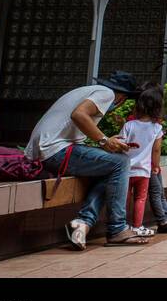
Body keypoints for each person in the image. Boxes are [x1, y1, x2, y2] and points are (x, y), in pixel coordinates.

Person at [24, 71, 155, 249]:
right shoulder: (106, 93)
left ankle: (82, 223)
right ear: (122, 98)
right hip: (55, 151)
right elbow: (79, 115)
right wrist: (103, 141)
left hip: (49, 150)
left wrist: (107, 143)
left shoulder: (90, 90)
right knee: (122, 163)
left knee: (111, 168)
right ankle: (117, 229)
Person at [118, 84, 164, 229]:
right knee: (140, 199)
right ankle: (137, 226)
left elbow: (119, 144)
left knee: (124, 199)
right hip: (143, 171)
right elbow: (156, 151)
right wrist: (155, 166)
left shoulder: (129, 125)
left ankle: (122, 225)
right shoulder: (157, 128)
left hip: (125, 170)